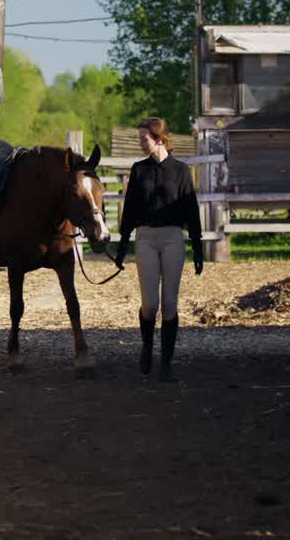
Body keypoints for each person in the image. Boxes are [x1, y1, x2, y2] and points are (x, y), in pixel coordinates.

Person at [114, 117, 202, 381]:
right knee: (150, 303)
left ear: (160, 139)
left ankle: (166, 363)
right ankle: (146, 347)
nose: (141, 144)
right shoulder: (138, 170)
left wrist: (197, 248)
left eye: (144, 139)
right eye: (140, 139)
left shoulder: (181, 171)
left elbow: (192, 211)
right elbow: (129, 211)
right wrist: (121, 247)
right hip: (146, 238)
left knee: (170, 304)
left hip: (173, 237)